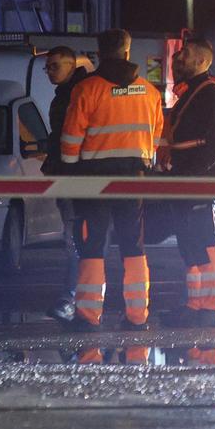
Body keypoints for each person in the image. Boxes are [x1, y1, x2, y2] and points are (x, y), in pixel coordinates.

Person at [61, 29, 162, 329]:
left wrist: (69, 171)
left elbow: (70, 138)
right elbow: (155, 138)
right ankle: (137, 316)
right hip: (135, 178)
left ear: (101, 53)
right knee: (133, 246)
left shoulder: (87, 89)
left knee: (92, 246)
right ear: (127, 53)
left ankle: (88, 316)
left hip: (94, 179)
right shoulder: (149, 91)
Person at [154, 39, 215, 328]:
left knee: (205, 242)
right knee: (189, 244)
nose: (176, 58)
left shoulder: (211, 94)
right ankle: (195, 304)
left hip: (198, 180)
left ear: (201, 61)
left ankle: (211, 308)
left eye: (183, 55)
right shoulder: (190, 93)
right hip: (184, 177)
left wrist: (192, 175)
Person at [40, 46, 83, 322]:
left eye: (54, 66)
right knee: (76, 241)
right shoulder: (68, 93)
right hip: (71, 177)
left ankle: (72, 298)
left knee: (76, 242)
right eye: (48, 67)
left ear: (71, 64)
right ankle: (76, 299)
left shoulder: (77, 93)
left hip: (76, 179)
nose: (49, 72)